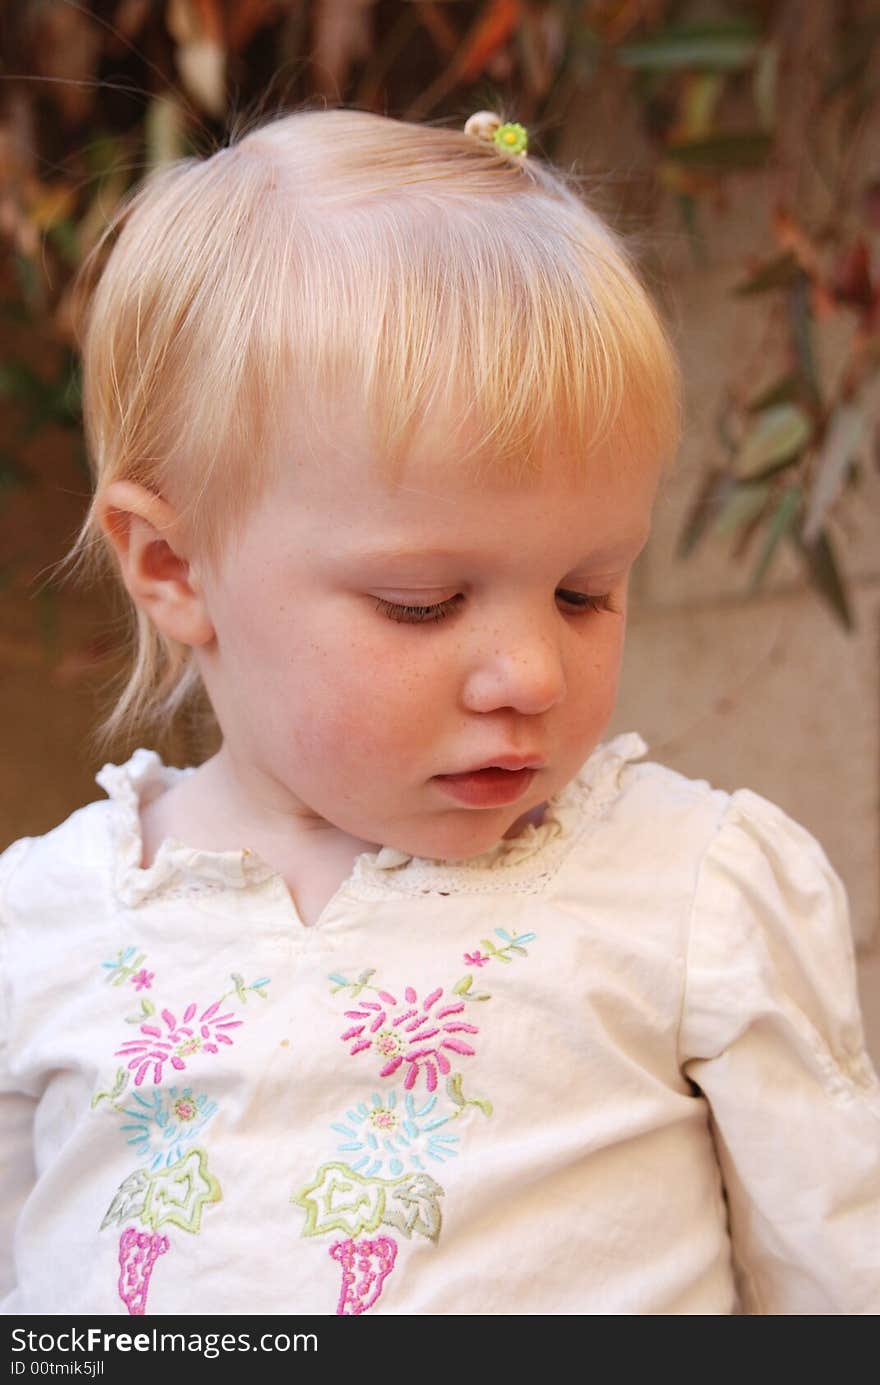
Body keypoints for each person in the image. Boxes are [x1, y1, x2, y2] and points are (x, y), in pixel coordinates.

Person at [1, 105, 877, 1318]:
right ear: (171, 569)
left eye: (585, 590)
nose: (530, 672)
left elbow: (838, 1283)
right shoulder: (43, 932)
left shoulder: (688, 895)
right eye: (421, 601)